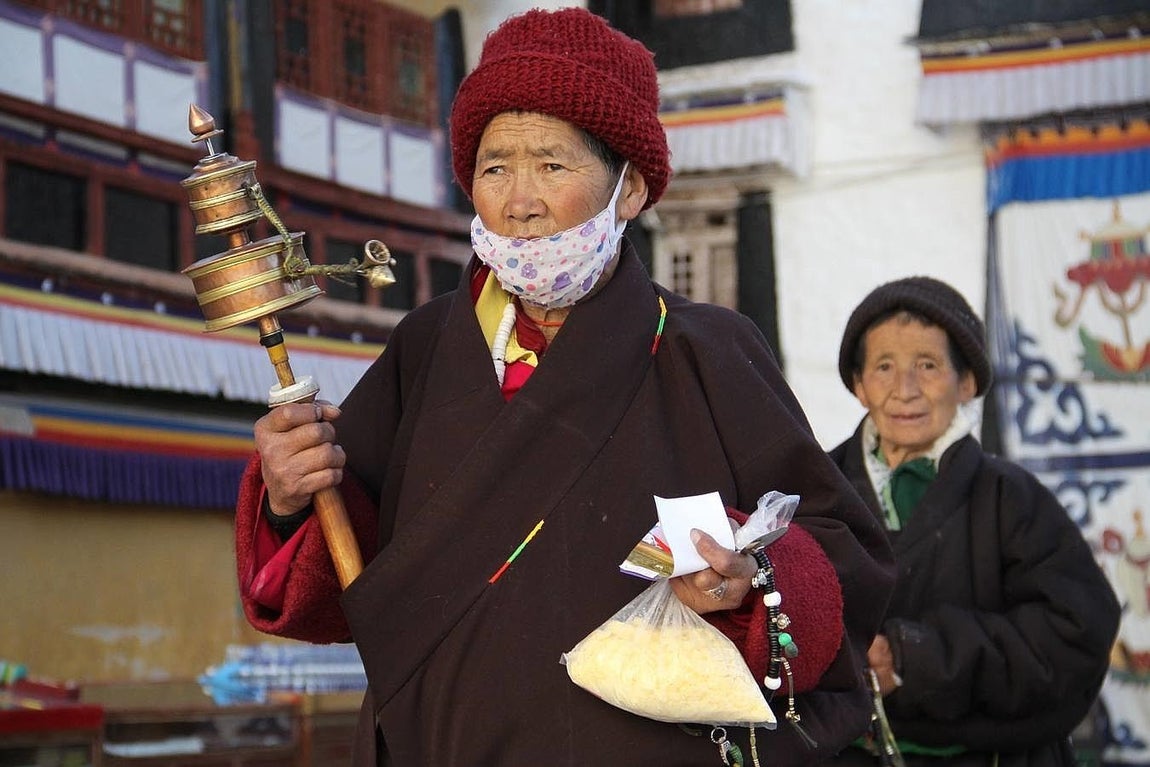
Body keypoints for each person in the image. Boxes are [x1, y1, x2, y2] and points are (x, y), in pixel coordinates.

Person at [236, 8, 893, 766]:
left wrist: (751, 582)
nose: (520, 199)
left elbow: (843, 555)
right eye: (494, 167)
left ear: (632, 188)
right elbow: (346, 574)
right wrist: (290, 494)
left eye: (551, 164)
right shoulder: (425, 348)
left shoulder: (707, 349)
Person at [826, 276, 1120, 767]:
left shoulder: (1013, 499)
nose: (906, 390)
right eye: (883, 367)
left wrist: (912, 658)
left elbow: (1076, 635)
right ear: (859, 386)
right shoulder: (820, 490)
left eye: (928, 365)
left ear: (966, 383)